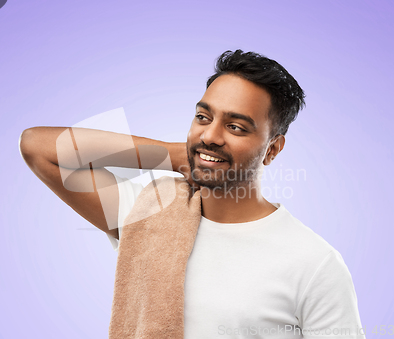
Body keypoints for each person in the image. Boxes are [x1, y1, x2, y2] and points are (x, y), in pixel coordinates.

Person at [19, 50, 365, 338]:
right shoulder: (151, 214)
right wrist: (175, 155)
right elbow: (40, 147)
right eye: (203, 117)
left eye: (235, 127)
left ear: (273, 150)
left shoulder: (315, 264)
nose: (211, 135)